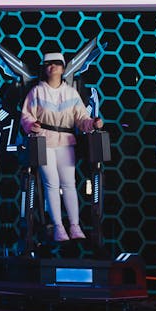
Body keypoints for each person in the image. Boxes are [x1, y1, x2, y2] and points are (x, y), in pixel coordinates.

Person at [20, 52, 102, 242]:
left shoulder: (71, 93)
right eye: (49, 64)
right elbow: (26, 115)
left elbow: (82, 118)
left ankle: (74, 225)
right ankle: (58, 227)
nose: (53, 66)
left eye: (57, 63)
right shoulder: (37, 92)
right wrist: (32, 125)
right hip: (44, 141)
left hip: (66, 141)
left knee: (69, 184)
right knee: (51, 184)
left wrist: (93, 123)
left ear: (63, 68)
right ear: (44, 68)